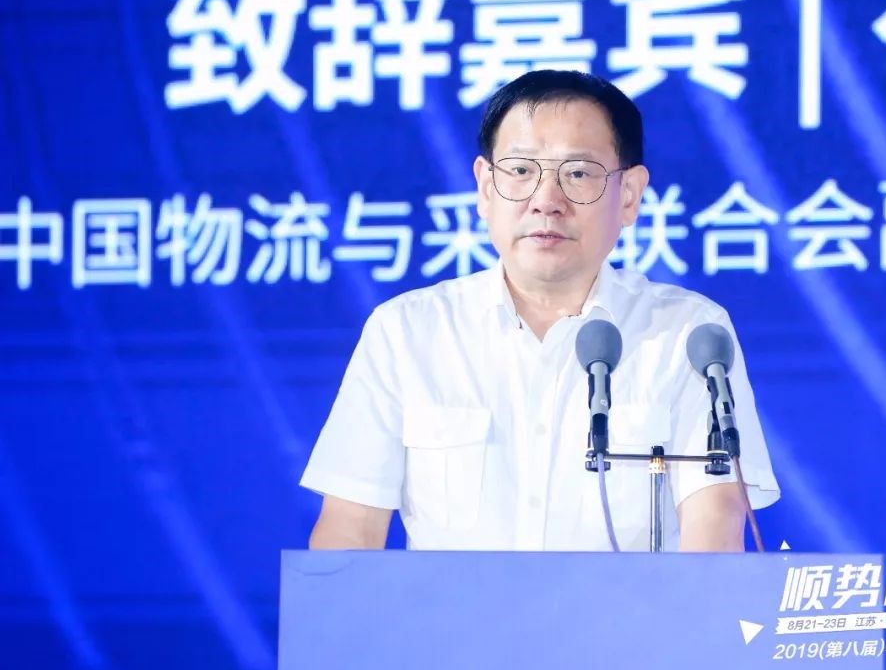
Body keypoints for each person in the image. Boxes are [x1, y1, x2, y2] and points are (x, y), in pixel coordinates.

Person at [301, 70, 780, 551]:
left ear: (630, 196)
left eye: (578, 173)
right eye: (520, 171)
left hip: (630, 606)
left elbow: (714, 523)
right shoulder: (407, 331)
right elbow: (350, 527)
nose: (546, 201)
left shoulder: (689, 335)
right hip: (446, 606)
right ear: (485, 187)